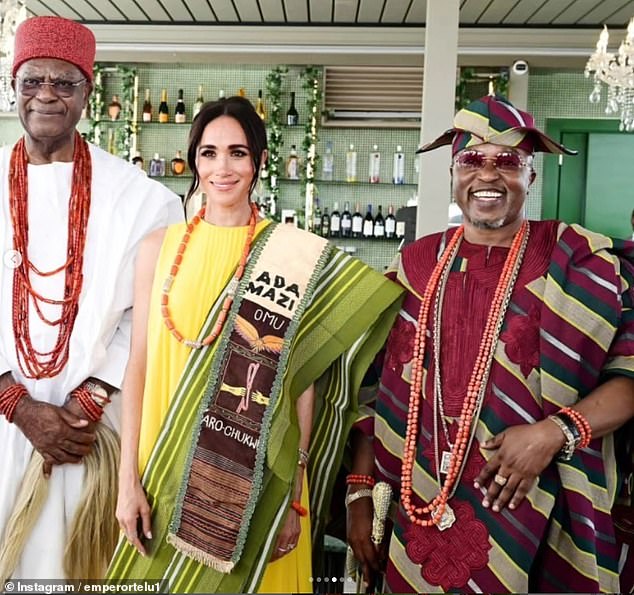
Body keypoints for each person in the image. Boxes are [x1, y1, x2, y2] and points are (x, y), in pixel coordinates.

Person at [106, 96, 403, 593]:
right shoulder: (157, 248)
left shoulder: (293, 255)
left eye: (238, 153)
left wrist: (292, 493)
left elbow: (301, 383)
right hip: (164, 461)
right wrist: (126, 479)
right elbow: (139, 363)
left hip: (260, 469)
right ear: (194, 160)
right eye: (208, 153)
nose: (222, 167)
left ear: (260, 161)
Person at [346, 94, 634, 593]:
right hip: (420, 509)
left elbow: (629, 380)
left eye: (508, 162)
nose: (488, 175)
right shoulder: (414, 267)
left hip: (543, 517)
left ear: (531, 178)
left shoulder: (580, 262)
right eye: (471, 161)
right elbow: (379, 392)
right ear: (453, 176)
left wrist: (553, 433)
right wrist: (358, 492)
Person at [0, 16, 183, 580]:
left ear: (87, 93)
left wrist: (92, 395)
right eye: (32, 81)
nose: (46, 96)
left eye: (64, 83)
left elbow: (149, 312)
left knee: (79, 570)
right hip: (3, 428)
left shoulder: (139, 197)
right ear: (13, 89)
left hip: (90, 435)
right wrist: (17, 404)